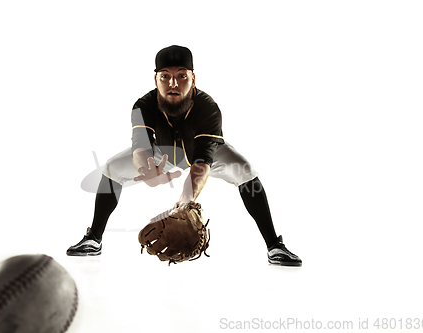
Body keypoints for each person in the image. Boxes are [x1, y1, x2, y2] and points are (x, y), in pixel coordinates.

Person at [67, 45, 302, 266]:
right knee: (112, 168)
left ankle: (274, 245)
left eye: (182, 76)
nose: (173, 83)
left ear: (193, 78)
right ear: (156, 79)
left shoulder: (207, 107)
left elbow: (202, 161)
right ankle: (93, 239)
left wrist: (186, 200)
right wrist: (145, 169)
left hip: (209, 154)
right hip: (163, 154)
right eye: (165, 76)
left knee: (245, 171)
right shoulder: (144, 105)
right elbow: (140, 147)